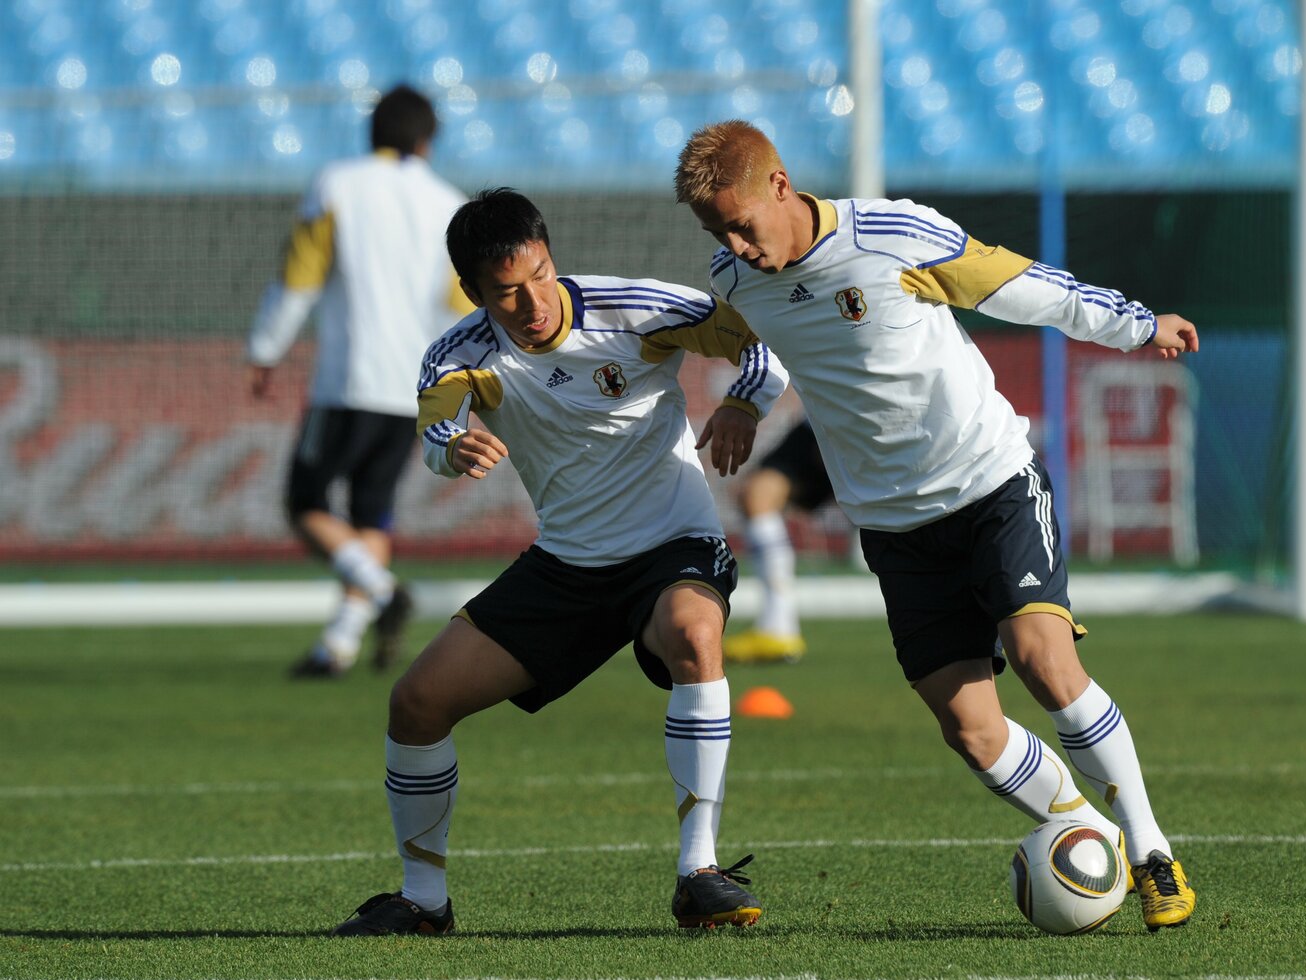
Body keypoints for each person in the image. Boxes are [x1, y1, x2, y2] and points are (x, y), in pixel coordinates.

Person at [675, 120, 1199, 931]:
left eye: (741, 225)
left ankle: (1153, 847)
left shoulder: (893, 235)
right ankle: (1084, 831)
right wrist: (745, 399)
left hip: (993, 483)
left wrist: (1136, 326)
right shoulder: (737, 278)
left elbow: (1026, 286)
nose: (735, 247)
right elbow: (759, 343)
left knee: (1041, 659)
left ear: (781, 185)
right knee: (970, 728)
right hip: (894, 530)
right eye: (719, 233)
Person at [332, 187, 787, 936]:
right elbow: (434, 427)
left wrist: (743, 402)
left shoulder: (631, 306)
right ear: (474, 294)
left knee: (694, 636)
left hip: (673, 545)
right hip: (567, 565)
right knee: (415, 704)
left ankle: (698, 873)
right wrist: (452, 447)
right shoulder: (462, 354)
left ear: (552, 257)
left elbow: (758, 337)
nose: (532, 302)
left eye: (540, 275)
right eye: (506, 292)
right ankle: (423, 901)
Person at [246, 84, 469, 678]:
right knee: (372, 513)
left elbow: (301, 275)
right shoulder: (449, 203)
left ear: (370, 132)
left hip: (347, 381)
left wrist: (266, 348)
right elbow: (456, 305)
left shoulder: (337, 184)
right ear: (428, 140)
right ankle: (339, 645)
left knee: (305, 502)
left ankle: (381, 589)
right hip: (414, 383)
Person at [721, 417, 830, 665]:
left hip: (850, 421)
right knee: (756, 494)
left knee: (757, 495)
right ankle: (777, 628)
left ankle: (779, 628)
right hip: (826, 422)